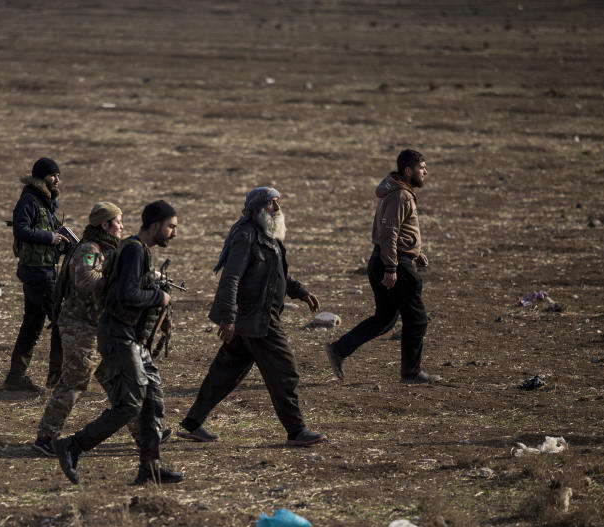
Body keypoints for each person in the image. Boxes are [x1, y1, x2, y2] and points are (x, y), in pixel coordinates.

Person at [177, 187, 328, 446]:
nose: (277, 208)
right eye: (272, 203)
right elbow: (230, 279)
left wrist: (300, 291)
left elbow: (278, 273)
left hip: (252, 320)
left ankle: (192, 424)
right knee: (285, 371)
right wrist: (228, 318)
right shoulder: (246, 236)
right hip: (256, 319)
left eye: (278, 202)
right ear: (257, 209)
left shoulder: (269, 236)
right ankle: (296, 431)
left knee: (225, 372)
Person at [53, 201, 183, 485]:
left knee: (153, 400)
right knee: (130, 404)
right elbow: (126, 295)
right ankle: (72, 446)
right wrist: (159, 298)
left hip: (131, 337)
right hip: (118, 335)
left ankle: (150, 466)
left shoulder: (135, 249)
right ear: (155, 225)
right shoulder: (135, 250)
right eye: (171, 227)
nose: (174, 233)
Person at [324, 149, 442, 384]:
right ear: (408, 171)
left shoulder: (396, 192)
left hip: (385, 259)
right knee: (417, 320)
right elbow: (389, 232)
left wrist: (415, 252)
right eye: (421, 167)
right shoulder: (401, 196)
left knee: (385, 318)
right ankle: (411, 373)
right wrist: (391, 267)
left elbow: (396, 232)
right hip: (393, 263)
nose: (425, 171)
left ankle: (339, 349)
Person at [31, 202, 131, 454]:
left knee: (120, 382)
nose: (121, 226)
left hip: (100, 329)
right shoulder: (89, 249)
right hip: (81, 330)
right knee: (73, 384)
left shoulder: (109, 250)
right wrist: (118, 279)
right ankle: (45, 438)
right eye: (117, 221)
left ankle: (146, 432)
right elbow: (86, 279)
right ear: (104, 224)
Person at [4, 157, 68, 393]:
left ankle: (15, 378)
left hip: (41, 271)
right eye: (53, 175)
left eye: (58, 175)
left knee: (31, 325)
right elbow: (21, 230)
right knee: (62, 321)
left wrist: (59, 239)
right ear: (41, 177)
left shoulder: (44, 203)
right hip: (38, 273)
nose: (57, 179)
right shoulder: (29, 200)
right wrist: (50, 237)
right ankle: (57, 378)